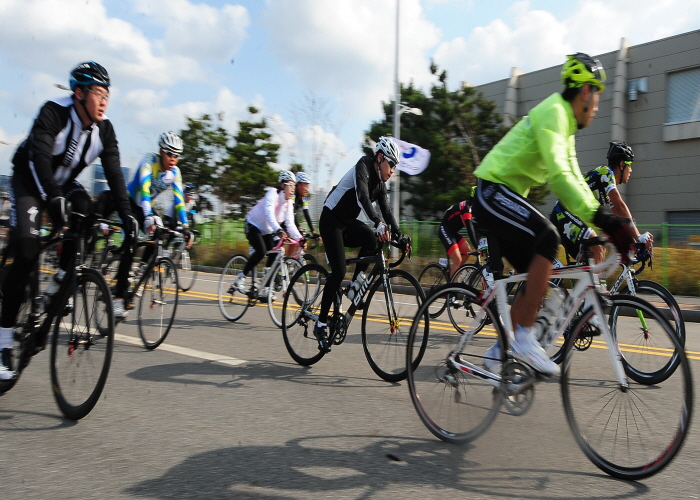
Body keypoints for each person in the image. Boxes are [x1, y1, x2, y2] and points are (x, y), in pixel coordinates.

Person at [471, 53, 636, 377]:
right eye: (598, 94)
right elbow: (560, 178)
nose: (598, 104)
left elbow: (574, 176)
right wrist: (602, 218)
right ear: (585, 92)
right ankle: (523, 341)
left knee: (539, 275)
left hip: (505, 194)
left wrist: (600, 221)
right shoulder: (554, 113)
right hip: (492, 191)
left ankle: (498, 351)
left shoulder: (564, 125)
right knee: (548, 238)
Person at [0, 62, 135, 380]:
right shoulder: (54, 113)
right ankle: (3, 343)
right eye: (98, 93)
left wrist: (127, 214)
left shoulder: (105, 131)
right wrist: (53, 197)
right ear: (79, 93)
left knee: (87, 213)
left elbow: (115, 175)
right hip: (31, 180)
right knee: (27, 249)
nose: (104, 101)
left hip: (64, 184)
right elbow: (41, 160)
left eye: (107, 95)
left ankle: (62, 277)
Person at [313, 136, 410, 353]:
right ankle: (320, 325)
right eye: (391, 164)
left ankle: (357, 283)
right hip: (331, 220)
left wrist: (400, 236)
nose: (393, 169)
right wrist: (377, 223)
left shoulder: (381, 184)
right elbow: (362, 198)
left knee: (370, 238)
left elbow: (387, 211)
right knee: (338, 272)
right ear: (379, 158)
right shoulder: (363, 166)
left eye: (395, 166)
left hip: (347, 224)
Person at [95, 132, 189, 318]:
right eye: (170, 154)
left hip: (147, 208)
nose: (173, 159)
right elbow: (145, 189)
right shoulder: (149, 160)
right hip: (130, 203)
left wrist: (185, 227)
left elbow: (179, 201)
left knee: (159, 236)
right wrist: (147, 216)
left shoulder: (174, 173)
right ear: (161, 151)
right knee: (131, 242)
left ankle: (139, 271)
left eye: (177, 155)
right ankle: (118, 298)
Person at [551, 141, 653, 265]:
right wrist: (638, 237)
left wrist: (634, 244)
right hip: (563, 211)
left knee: (598, 254)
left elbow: (620, 218)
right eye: (630, 164)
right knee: (597, 248)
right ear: (622, 164)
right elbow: (620, 207)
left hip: (572, 215)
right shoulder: (606, 173)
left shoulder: (606, 186)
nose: (631, 170)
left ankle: (576, 283)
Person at [235, 171, 303, 299]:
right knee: (261, 251)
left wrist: (300, 238)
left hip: (267, 230)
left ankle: (266, 287)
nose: (293, 189)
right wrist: (278, 229)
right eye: (291, 185)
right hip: (253, 224)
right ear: (283, 185)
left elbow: (290, 223)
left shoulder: (289, 203)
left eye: (295, 186)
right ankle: (241, 278)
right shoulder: (272, 193)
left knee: (276, 251)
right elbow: (269, 213)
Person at [438, 186, 478, 279]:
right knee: (458, 259)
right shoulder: (467, 208)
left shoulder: (475, 210)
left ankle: (453, 274)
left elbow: (479, 229)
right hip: (444, 229)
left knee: (467, 250)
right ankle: (450, 290)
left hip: (452, 232)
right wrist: (477, 247)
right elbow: (470, 229)